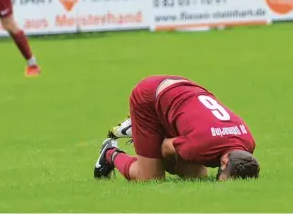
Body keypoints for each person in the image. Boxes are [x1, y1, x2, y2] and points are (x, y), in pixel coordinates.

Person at [94, 75, 260, 181]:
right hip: (150, 96)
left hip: (185, 89)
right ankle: (109, 152)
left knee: (194, 176)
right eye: (225, 179)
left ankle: (142, 129)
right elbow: (165, 148)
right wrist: (151, 149)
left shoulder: (248, 143)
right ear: (224, 162)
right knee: (150, 177)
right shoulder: (200, 146)